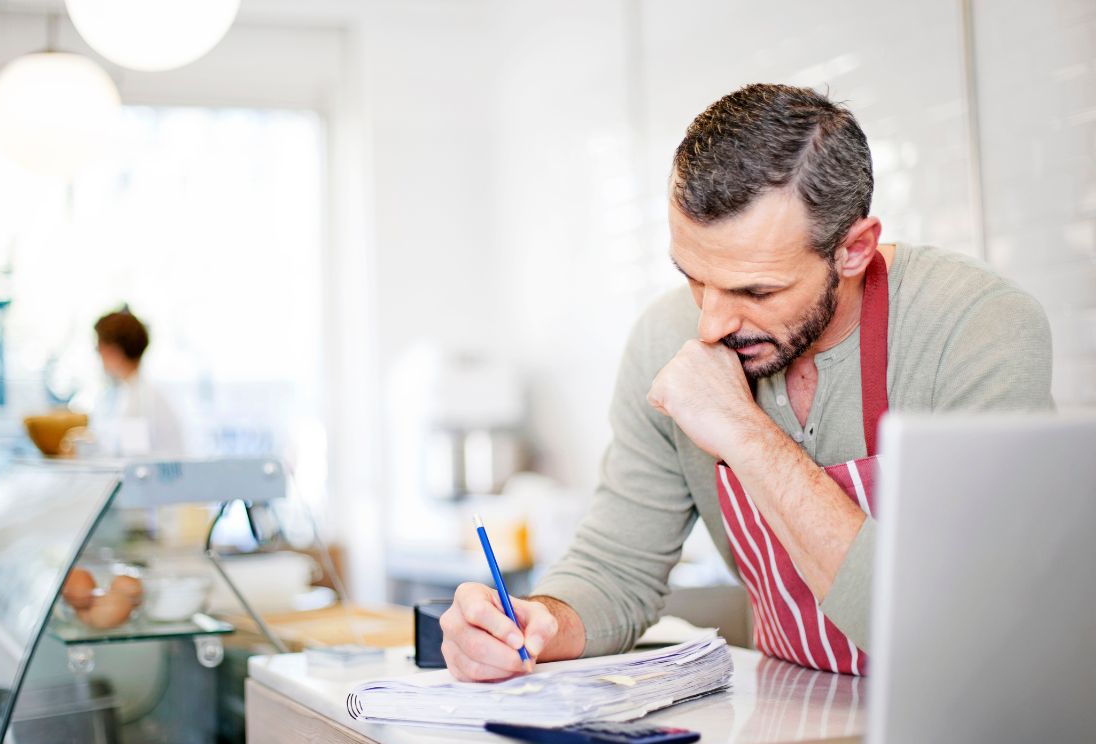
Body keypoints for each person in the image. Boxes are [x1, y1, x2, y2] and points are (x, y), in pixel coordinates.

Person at [440, 84, 1053, 680]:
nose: (711, 324)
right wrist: (537, 623)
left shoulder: (977, 329)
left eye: (756, 291)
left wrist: (740, 428)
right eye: (695, 278)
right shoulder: (664, 341)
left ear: (855, 249)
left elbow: (950, 628)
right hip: (794, 726)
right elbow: (615, 569)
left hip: (968, 720)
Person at [89, 307, 185, 457]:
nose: (98, 355)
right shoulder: (132, 393)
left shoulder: (138, 402)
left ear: (114, 351)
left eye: (98, 348)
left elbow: (135, 461)